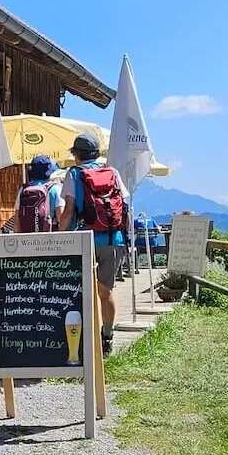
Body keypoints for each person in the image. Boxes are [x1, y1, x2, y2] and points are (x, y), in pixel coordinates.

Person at [57, 133, 129, 355]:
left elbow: (68, 209)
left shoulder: (74, 174)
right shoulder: (112, 172)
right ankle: (107, 337)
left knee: (78, 290)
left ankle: (80, 340)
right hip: (113, 238)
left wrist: (59, 236)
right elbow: (125, 204)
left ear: (77, 155)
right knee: (105, 292)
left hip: (83, 239)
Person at [13, 154, 64, 233]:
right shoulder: (55, 189)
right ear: (49, 172)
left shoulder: (23, 190)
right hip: (50, 239)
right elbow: (61, 218)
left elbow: (16, 221)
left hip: (27, 239)